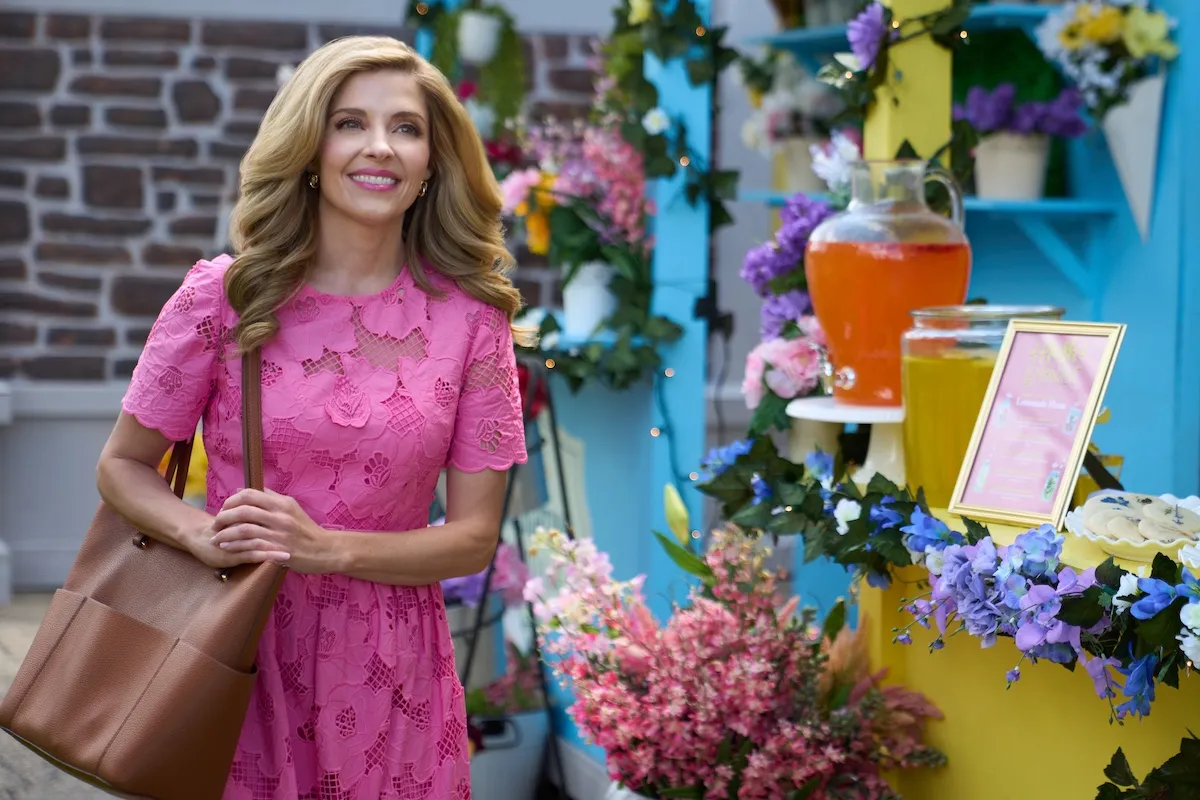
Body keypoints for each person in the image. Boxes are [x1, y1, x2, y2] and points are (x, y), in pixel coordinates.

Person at [95, 35, 531, 799]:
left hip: (397, 676)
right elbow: (121, 466)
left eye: (406, 128)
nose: (380, 147)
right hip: (235, 648)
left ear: (433, 162)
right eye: (349, 122)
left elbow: (471, 539)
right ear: (309, 146)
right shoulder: (225, 297)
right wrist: (202, 531)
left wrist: (326, 548)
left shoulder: (472, 321)